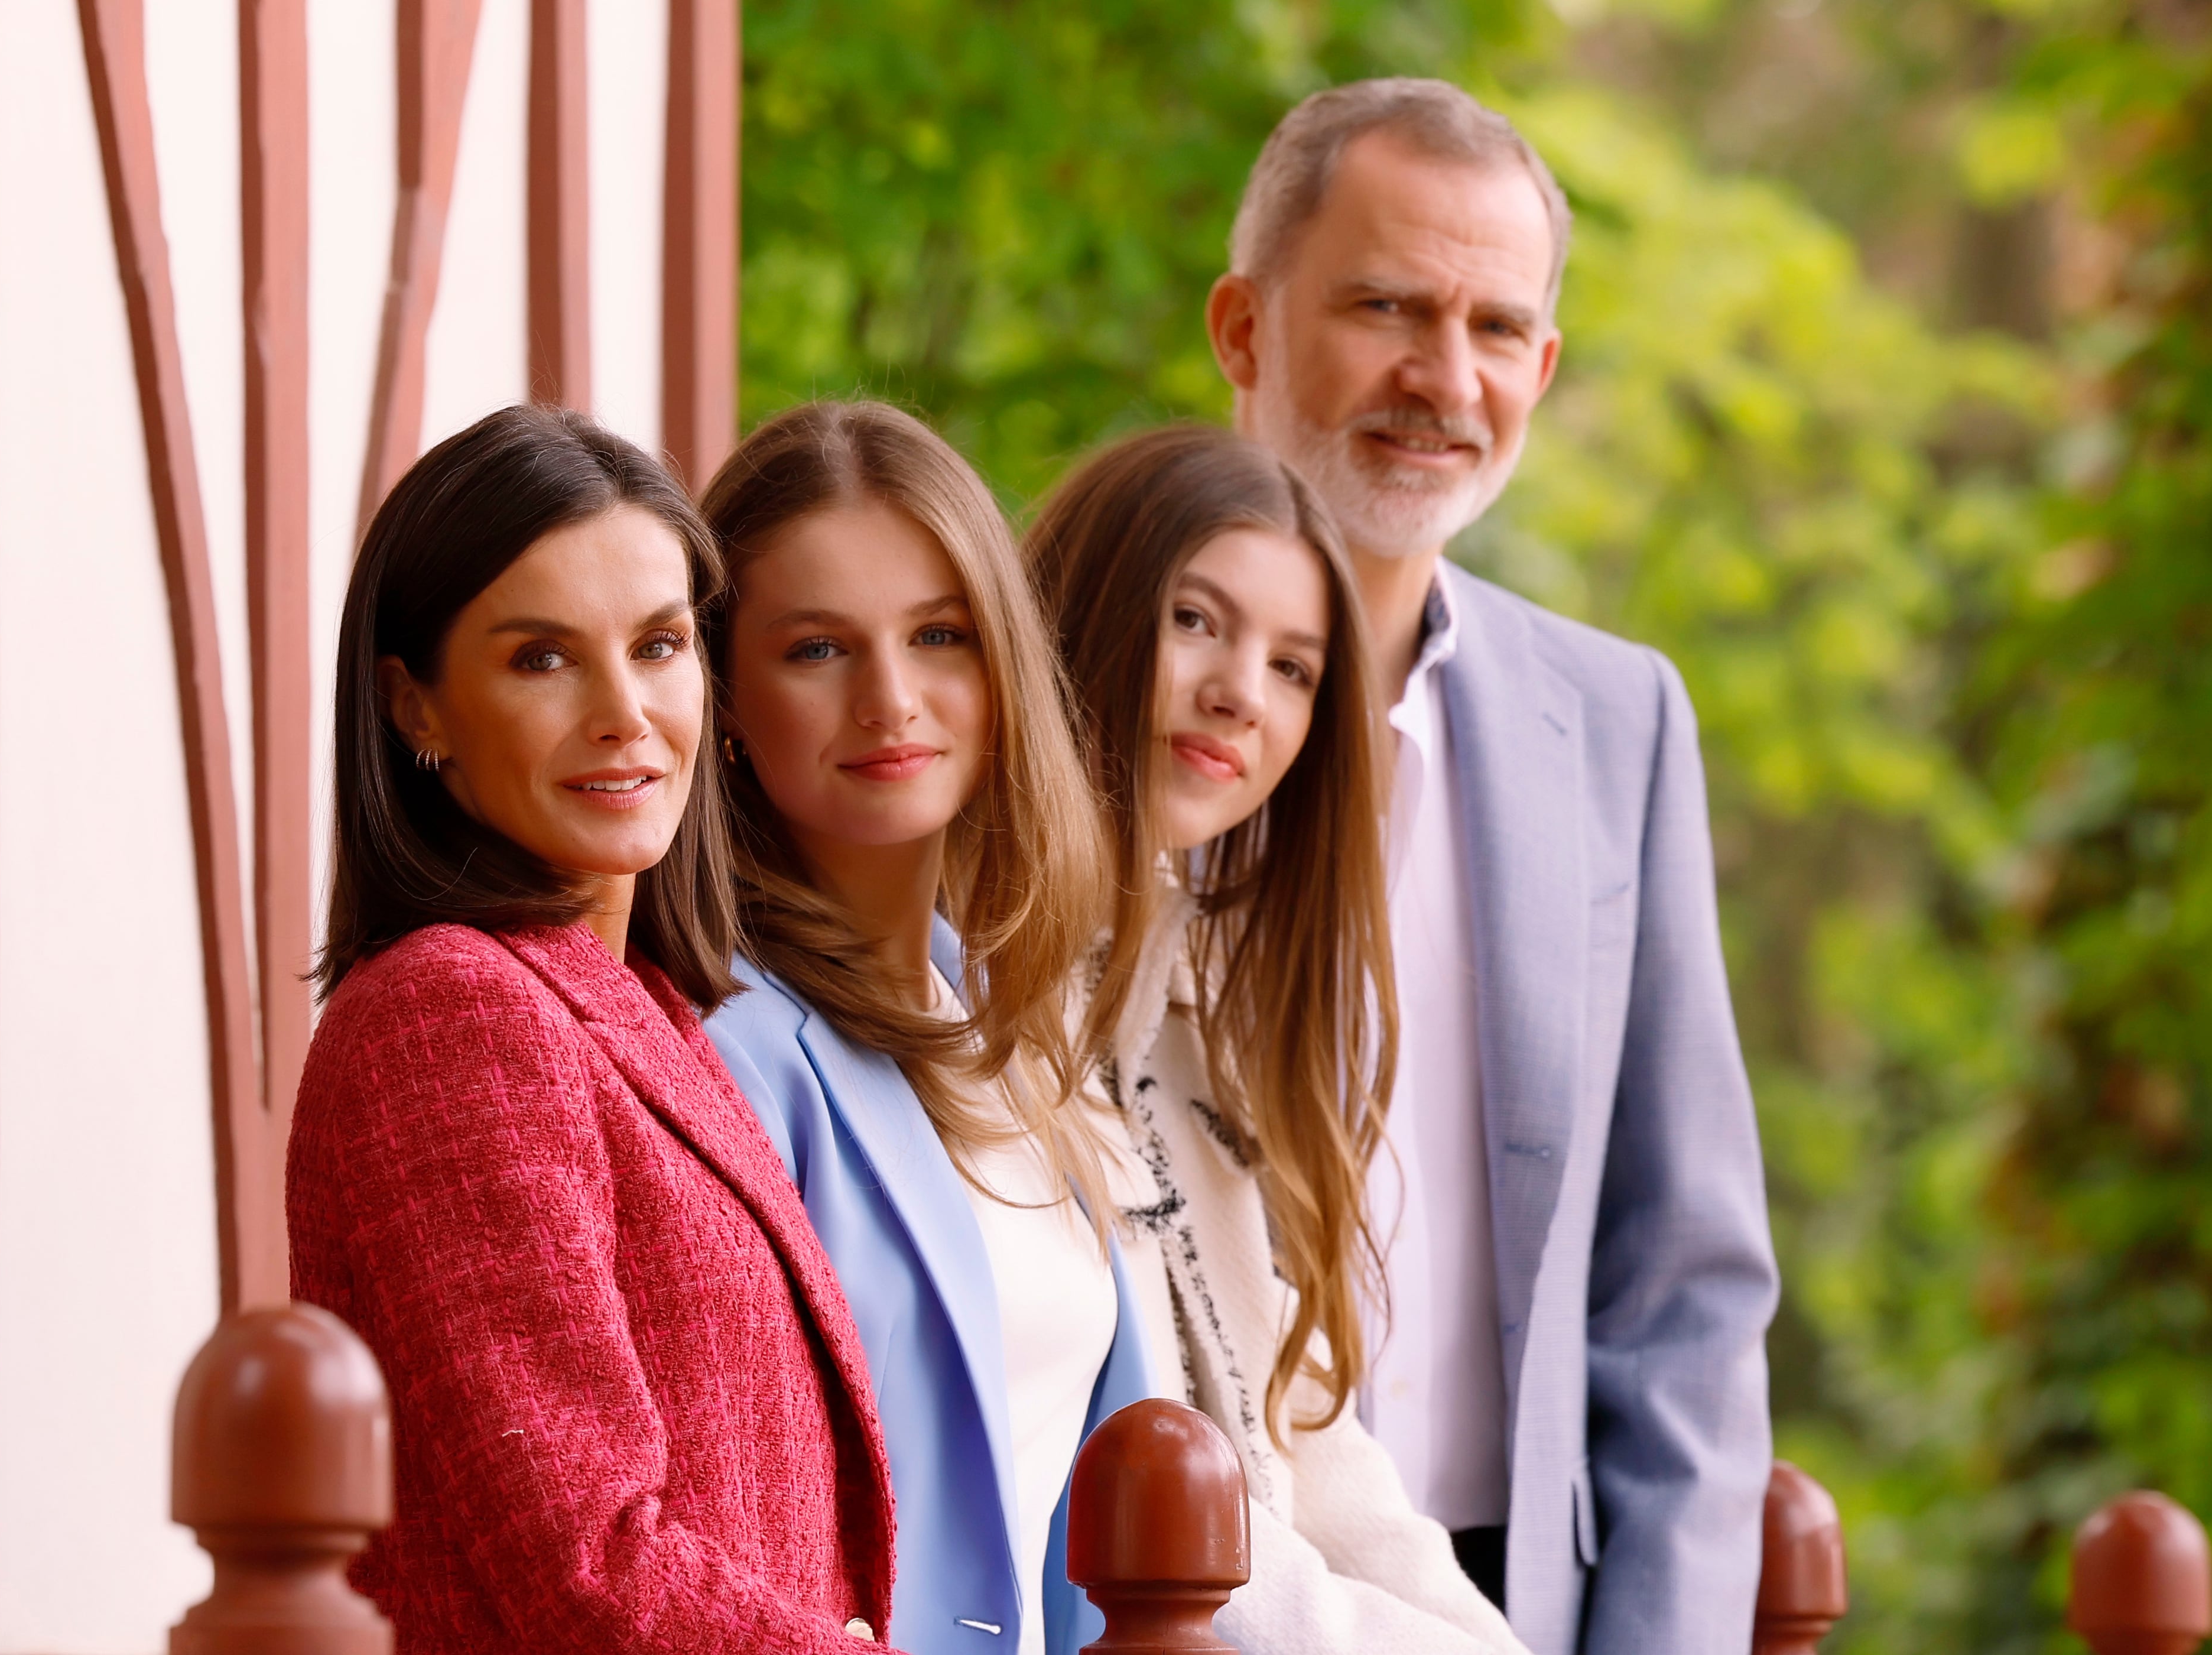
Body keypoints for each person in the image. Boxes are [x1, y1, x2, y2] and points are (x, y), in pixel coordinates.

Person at [1205, 79, 1782, 1651]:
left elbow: (1686, 1284)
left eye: (1493, 327)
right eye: (1385, 306)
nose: (1440, 377)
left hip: (1515, 1596)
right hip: (1170, 1584)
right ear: (1244, 331)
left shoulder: (1618, 722)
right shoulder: (1077, 698)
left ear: (1544, 365)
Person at [287, 405, 898, 1653]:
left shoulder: (654, 1011)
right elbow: (584, 1555)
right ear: (417, 708)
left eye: (660, 644)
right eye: (540, 658)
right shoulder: (450, 1011)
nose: (626, 710)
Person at [1028, 423, 1531, 1655]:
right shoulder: (976, 995)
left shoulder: (1195, 1005)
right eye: (1196, 620)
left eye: (1294, 667)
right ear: (1083, 607)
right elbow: (1167, 1511)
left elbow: (1304, 1443)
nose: (1238, 692)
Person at [696, 401, 1162, 1655]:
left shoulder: (1005, 1026)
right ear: (723, 697)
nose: (892, 699)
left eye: (939, 635)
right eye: (816, 649)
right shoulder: (720, 1050)